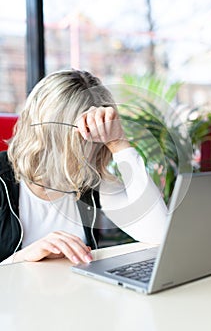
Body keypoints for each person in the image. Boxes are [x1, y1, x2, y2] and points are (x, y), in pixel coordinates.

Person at [0, 69, 167, 265]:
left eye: (97, 138)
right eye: (83, 136)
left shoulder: (90, 177)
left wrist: (119, 144)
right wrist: (24, 257)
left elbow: (159, 234)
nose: (89, 150)